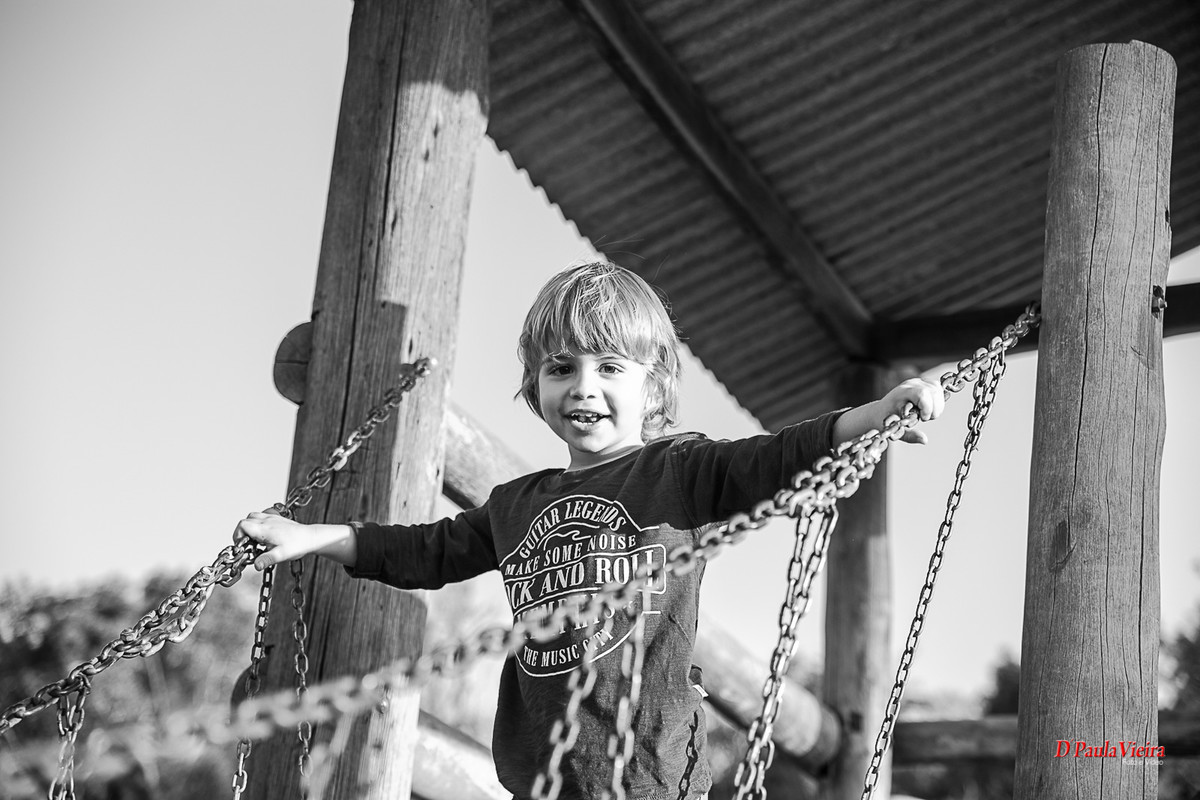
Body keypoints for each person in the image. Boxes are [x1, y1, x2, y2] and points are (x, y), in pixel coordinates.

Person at [235, 261, 945, 800]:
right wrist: (314, 538)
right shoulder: (517, 504)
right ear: (534, 387)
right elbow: (424, 551)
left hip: (650, 771)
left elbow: (780, 456)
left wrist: (878, 413)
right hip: (541, 772)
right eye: (561, 368)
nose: (583, 386)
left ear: (655, 387)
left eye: (610, 367)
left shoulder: (680, 472)